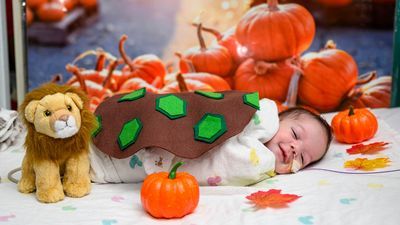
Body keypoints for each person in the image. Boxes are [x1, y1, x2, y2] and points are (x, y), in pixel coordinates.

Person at [89, 98, 332, 186]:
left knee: (85, 167)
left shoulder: (260, 165)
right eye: (296, 135)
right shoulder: (257, 116)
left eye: (303, 157)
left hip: (115, 168)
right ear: (279, 118)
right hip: (142, 132)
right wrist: (265, 119)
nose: (294, 148)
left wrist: (269, 164)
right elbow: (201, 109)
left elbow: (235, 162)